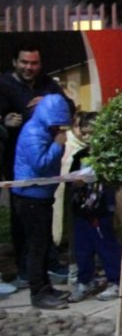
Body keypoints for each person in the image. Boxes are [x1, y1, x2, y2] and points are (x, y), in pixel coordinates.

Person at [2, 42, 71, 289]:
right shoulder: (4, 84)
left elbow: (67, 106)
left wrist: (49, 102)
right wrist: (4, 120)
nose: (29, 68)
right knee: (24, 217)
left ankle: (47, 264)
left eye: (34, 63)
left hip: (44, 163)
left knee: (42, 218)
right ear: (15, 62)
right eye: (24, 62)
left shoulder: (47, 83)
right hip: (17, 159)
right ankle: (28, 270)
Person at [12, 93, 72, 310]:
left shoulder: (44, 130)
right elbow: (40, 164)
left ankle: (45, 287)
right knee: (37, 247)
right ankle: (38, 292)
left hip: (41, 195)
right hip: (30, 197)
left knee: (44, 244)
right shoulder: (33, 132)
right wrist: (57, 145)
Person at [64, 112, 122, 302]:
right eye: (85, 133)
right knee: (82, 247)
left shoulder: (110, 156)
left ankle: (115, 281)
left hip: (101, 208)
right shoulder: (80, 155)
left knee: (106, 245)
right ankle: (85, 281)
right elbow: (70, 178)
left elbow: (115, 181)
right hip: (82, 208)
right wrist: (75, 182)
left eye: (92, 133)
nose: (88, 137)